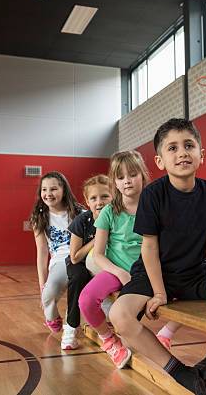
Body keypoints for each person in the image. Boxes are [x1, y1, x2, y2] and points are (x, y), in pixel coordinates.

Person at [109, 118, 206, 395]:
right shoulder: (153, 196)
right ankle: (178, 371)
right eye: (172, 148)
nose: (182, 152)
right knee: (120, 316)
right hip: (155, 274)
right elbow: (149, 248)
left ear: (201, 155)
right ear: (159, 161)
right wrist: (158, 293)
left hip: (195, 273)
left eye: (189, 145)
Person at [78, 150, 150, 369]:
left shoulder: (154, 207)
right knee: (86, 300)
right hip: (115, 270)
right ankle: (109, 340)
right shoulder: (109, 211)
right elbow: (98, 253)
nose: (127, 180)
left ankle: (164, 334)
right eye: (120, 177)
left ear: (143, 176)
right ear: (114, 183)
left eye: (133, 174)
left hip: (145, 272)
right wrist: (119, 272)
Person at [62, 174, 112, 350]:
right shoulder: (82, 221)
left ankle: (108, 319)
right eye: (94, 198)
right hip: (80, 263)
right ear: (87, 202)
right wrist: (98, 237)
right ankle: (70, 327)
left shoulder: (118, 218)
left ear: (114, 196)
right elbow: (75, 256)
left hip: (106, 264)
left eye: (105, 196)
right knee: (78, 279)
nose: (99, 202)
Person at [30, 171, 83, 335]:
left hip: (80, 257)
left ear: (63, 190)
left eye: (53, 189)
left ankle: (73, 323)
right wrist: (42, 284)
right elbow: (42, 252)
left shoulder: (79, 212)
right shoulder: (39, 217)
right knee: (47, 296)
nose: (48, 194)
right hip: (60, 262)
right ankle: (54, 319)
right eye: (44, 190)